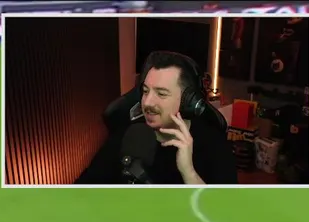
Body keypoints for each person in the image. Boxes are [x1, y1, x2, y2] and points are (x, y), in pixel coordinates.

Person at [75, 51, 238, 185]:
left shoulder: (214, 146)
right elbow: (81, 190)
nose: (147, 102)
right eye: (145, 91)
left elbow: (224, 212)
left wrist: (189, 172)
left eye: (161, 94)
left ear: (188, 101)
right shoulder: (129, 134)